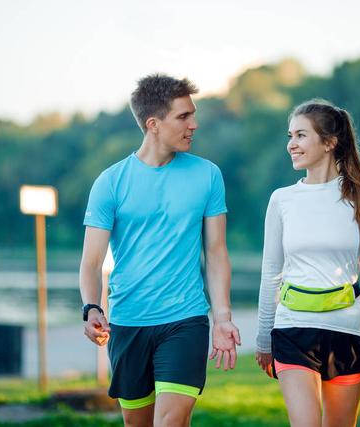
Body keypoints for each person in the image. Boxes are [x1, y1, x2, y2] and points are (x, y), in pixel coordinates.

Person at [79, 74, 241, 427]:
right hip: (127, 323)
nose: (194, 125)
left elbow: (216, 252)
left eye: (192, 115)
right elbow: (91, 262)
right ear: (153, 124)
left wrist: (223, 316)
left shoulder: (207, 175)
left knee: (170, 422)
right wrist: (91, 307)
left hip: (185, 320)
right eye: (183, 117)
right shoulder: (110, 182)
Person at [255, 99, 360, 427]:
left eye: (300, 135)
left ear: (329, 142)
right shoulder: (282, 200)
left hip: (347, 328)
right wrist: (263, 338)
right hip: (292, 327)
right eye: (290, 136)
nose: (291, 145)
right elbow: (272, 272)